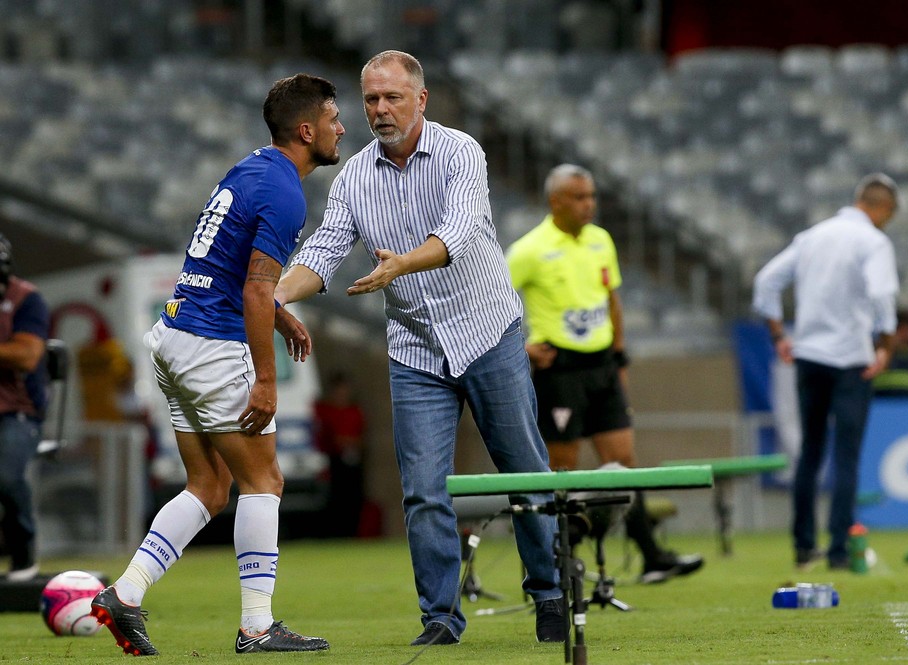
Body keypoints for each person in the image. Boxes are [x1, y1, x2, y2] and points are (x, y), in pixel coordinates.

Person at [274, 50, 564, 646]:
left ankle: (551, 593)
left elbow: (459, 231)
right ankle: (439, 617)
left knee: (525, 470)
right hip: (417, 351)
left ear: (421, 100)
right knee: (422, 488)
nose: (380, 110)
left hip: (488, 333)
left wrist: (400, 264)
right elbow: (325, 251)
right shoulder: (354, 176)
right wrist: (273, 296)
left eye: (392, 97)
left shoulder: (462, 152)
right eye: (371, 100)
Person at [90, 73, 343, 656]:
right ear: (306, 130)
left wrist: (281, 313)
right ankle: (257, 626)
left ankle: (124, 595)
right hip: (212, 346)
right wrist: (268, 379)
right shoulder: (285, 193)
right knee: (266, 481)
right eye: (332, 117)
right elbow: (256, 290)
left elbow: (232, 268)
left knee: (209, 487)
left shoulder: (250, 168)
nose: (341, 126)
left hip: (174, 336)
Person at [505, 164, 704, 584]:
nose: (589, 204)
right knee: (563, 468)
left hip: (602, 366)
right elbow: (492, 301)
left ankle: (651, 557)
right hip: (560, 370)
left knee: (624, 463)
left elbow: (612, 301)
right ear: (555, 201)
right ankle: (557, 565)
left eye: (591, 196)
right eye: (579, 197)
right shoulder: (529, 249)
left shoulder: (601, 241)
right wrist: (522, 347)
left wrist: (619, 359)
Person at [752, 173, 900, 571]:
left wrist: (779, 335)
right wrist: (884, 348)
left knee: (810, 453)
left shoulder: (812, 237)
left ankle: (802, 547)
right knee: (847, 458)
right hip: (852, 360)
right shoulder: (873, 241)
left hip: (810, 356)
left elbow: (766, 282)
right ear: (883, 209)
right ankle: (838, 551)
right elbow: (882, 294)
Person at [0, 232, 50, 582]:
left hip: (17, 410)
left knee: (5, 475)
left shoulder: (26, 300)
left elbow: (27, 355)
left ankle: (22, 554)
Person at [313, 371, 366, 537]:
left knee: (354, 498)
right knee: (335, 499)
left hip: (353, 460)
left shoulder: (354, 410)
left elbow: (362, 435)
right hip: (333, 460)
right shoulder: (325, 410)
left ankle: (353, 533)